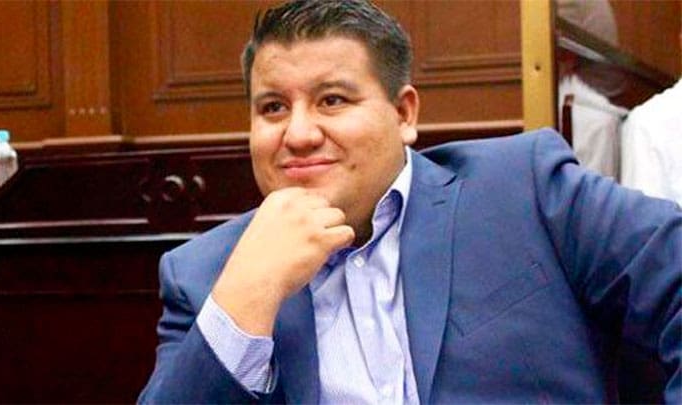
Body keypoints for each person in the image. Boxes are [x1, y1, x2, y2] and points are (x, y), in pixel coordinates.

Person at [138, 1, 681, 403]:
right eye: (273, 108)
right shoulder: (205, 275)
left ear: (404, 114)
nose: (298, 134)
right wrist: (249, 293)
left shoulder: (524, 190)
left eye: (332, 100)